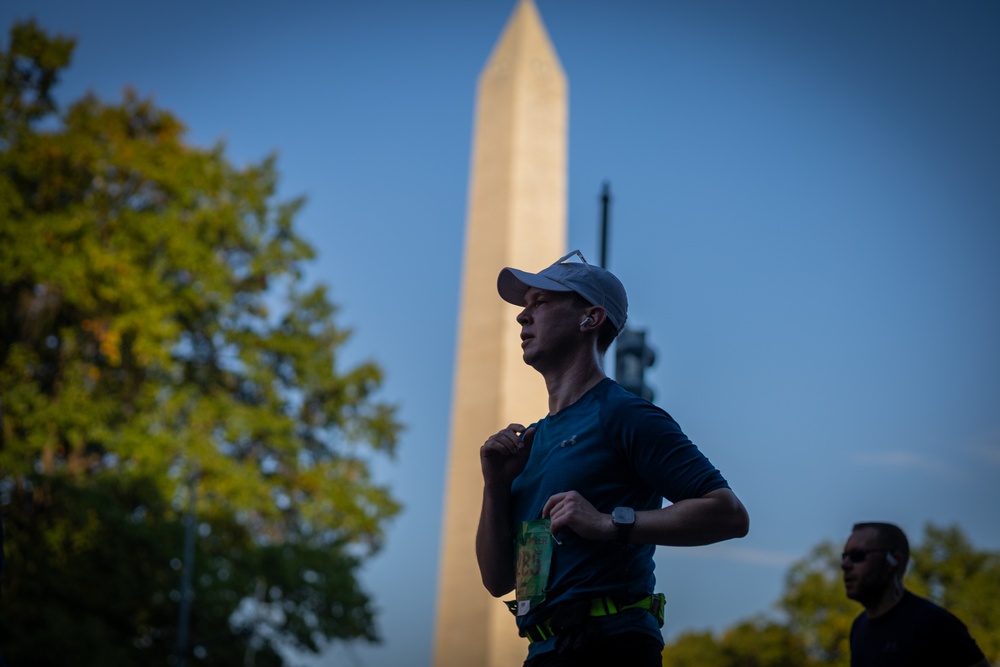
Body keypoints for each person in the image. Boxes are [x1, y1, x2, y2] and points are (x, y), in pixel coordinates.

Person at [476, 250, 750, 666]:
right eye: (525, 305)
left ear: (591, 319)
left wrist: (608, 523)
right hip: (544, 650)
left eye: (541, 302)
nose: (522, 316)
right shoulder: (531, 442)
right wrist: (494, 485)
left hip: (611, 645)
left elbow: (729, 514)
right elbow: (498, 581)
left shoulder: (622, 413)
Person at [842, 521, 988, 667]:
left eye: (857, 555)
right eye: (844, 556)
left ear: (893, 562)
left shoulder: (934, 625)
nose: (845, 565)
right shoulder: (859, 627)